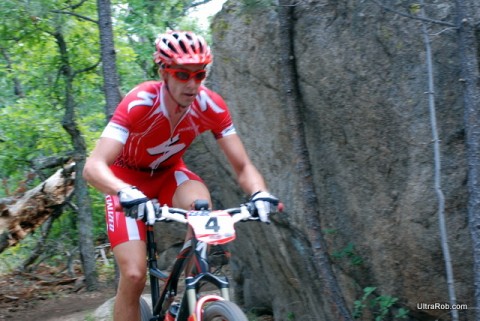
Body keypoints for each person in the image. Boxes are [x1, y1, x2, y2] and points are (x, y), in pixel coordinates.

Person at [83, 30, 279, 321]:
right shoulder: (140, 102)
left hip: (169, 174)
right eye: (183, 75)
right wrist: (124, 191)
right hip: (125, 181)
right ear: (164, 72)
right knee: (135, 274)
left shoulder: (210, 105)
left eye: (200, 75)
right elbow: (94, 166)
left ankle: (182, 296)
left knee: (201, 208)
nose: (192, 84)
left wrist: (260, 193)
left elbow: (243, 166)